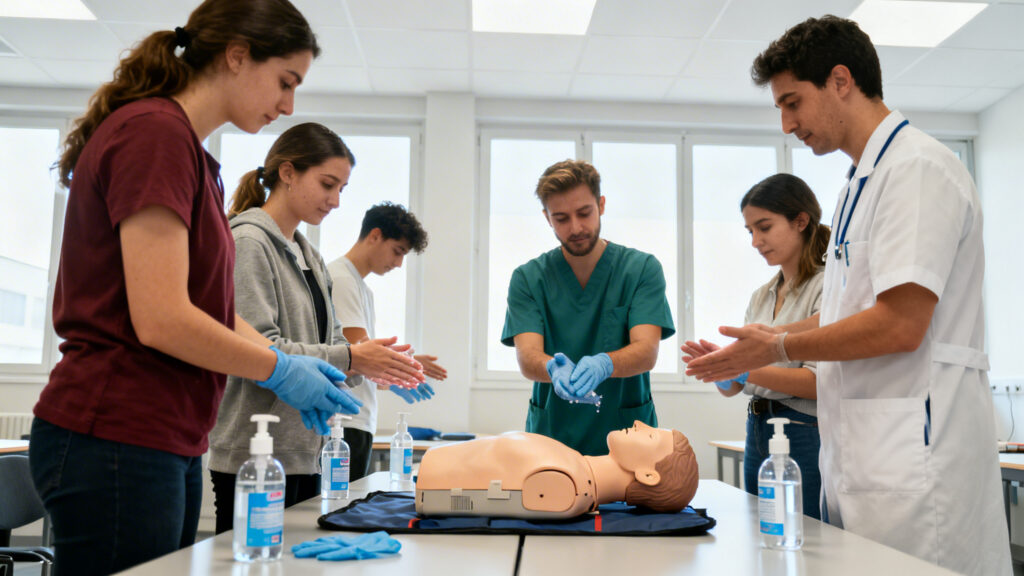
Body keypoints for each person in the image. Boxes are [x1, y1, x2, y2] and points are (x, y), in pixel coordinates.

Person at [26, 2, 365, 574]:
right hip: (116, 430)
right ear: (236, 55)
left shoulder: (190, 154)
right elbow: (160, 318)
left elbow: (206, 310)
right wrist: (277, 369)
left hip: (167, 435)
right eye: (285, 82)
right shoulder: (154, 135)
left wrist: (280, 360)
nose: (288, 105)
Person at [684, 15, 1010, 575]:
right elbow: (847, 314)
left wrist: (774, 350)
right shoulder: (861, 183)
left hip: (918, 463)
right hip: (870, 458)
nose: (787, 124)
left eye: (793, 102)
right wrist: (774, 336)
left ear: (840, 81)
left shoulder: (917, 169)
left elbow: (898, 325)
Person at [207, 124, 425, 534]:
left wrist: (367, 361)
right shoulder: (250, 242)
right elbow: (257, 347)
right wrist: (351, 356)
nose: (336, 201)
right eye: (328, 184)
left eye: (342, 188)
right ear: (287, 173)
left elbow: (334, 343)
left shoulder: (310, 255)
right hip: (256, 454)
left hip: (306, 451)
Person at [501, 159, 675, 456]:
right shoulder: (529, 279)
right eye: (561, 218)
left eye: (584, 213)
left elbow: (646, 351)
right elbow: (527, 356)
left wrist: (605, 363)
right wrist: (551, 369)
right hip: (552, 438)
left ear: (601, 205)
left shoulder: (640, 269)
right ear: (547, 218)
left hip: (628, 438)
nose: (576, 227)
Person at [682, 173, 826, 519]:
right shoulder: (761, 296)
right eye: (750, 231)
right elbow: (738, 389)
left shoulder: (826, 288)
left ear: (800, 221)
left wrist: (743, 367)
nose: (755, 241)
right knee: (762, 533)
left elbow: (818, 383)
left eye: (764, 227)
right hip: (758, 428)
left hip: (803, 431)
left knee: (806, 539)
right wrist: (724, 371)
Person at [327, 202, 446, 482]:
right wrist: (403, 367)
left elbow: (362, 360)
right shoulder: (341, 279)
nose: (398, 263)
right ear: (375, 235)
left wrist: (403, 367)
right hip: (344, 422)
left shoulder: (361, 287)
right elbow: (360, 358)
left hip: (357, 420)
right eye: (398, 251)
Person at [416, 421, 698, 518]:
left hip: (432, 474)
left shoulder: (566, 486)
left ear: (647, 475)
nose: (640, 423)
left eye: (650, 436)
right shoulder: (573, 467)